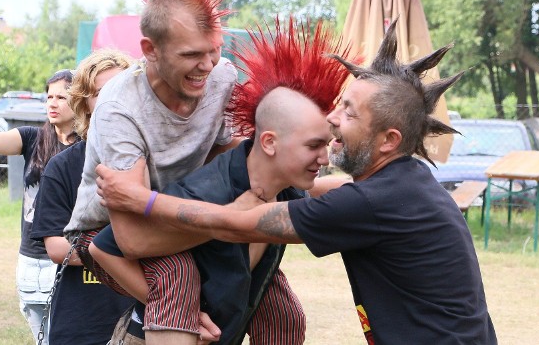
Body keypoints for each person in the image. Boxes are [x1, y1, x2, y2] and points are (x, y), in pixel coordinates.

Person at [96, 20, 498, 345]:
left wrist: (141, 199)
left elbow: (236, 224)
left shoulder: (371, 202)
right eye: (340, 105)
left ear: (389, 141)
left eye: (350, 113)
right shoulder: (405, 184)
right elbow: (326, 192)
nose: (334, 119)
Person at [89, 18, 353, 345]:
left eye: (325, 145)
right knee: (177, 282)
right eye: (314, 146)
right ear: (269, 142)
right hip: (147, 301)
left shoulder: (286, 186)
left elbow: (320, 197)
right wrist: (185, 315)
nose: (325, 159)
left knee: (285, 316)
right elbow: (108, 246)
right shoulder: (208, 190)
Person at [63, 0, 240, 345]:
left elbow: (224, 163)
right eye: (193, 54)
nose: (208, 66)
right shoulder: (119, 107)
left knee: (281, 307)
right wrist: (225, 224)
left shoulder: (223, 77)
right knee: (176, 278)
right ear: (150, 50)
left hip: (180, 213)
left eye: (215, 50)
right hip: (105, 230)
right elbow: (131, 239)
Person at [30, 50, 137, 345]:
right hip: (82, 322)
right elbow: (56, 247)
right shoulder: (62, 167)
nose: (113, 101)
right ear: (84, 103)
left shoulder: (156, 163)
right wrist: (130, 246)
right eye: (101, 93)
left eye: (122, 90)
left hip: (144, 320)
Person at [0, 68, 79, 344]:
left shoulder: (90, 147)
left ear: (79, 100)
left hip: (69, 260)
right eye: (49, 96)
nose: (52, 103)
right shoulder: (33, 138)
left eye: (61, 97)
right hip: (30, 260)